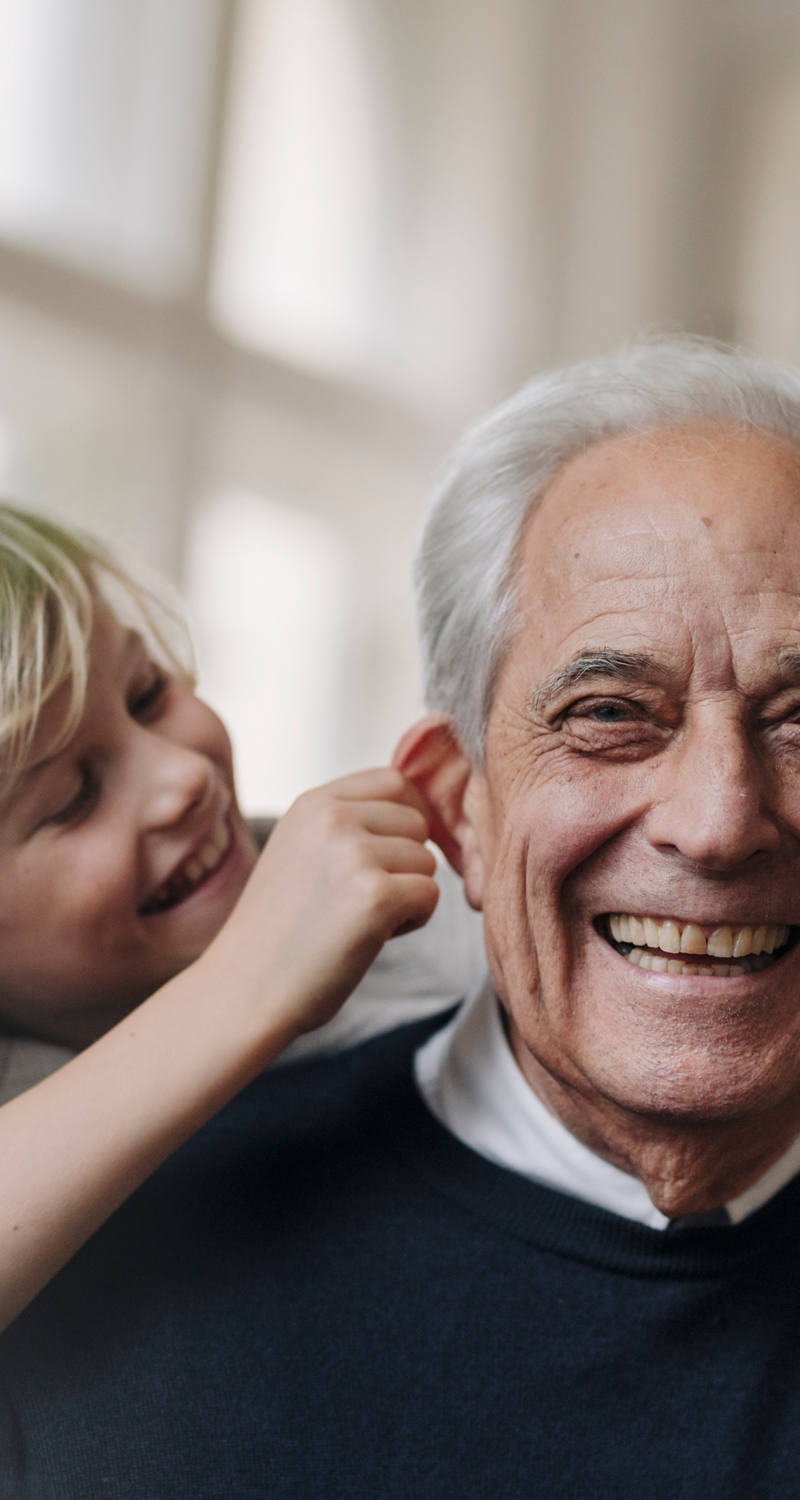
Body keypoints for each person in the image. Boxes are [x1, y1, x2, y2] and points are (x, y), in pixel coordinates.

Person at [5, 334, 800, 1497]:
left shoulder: (327, 876)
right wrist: (243, 996)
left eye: (149, 696)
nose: (718, 821)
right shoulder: (77, 1224)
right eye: (608, 712)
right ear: (456, 807)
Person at [0, 504, 460, 1333]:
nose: (182, 776)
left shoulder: (416, 904)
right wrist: (247, 983)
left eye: (148, 695)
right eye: (73, 796)